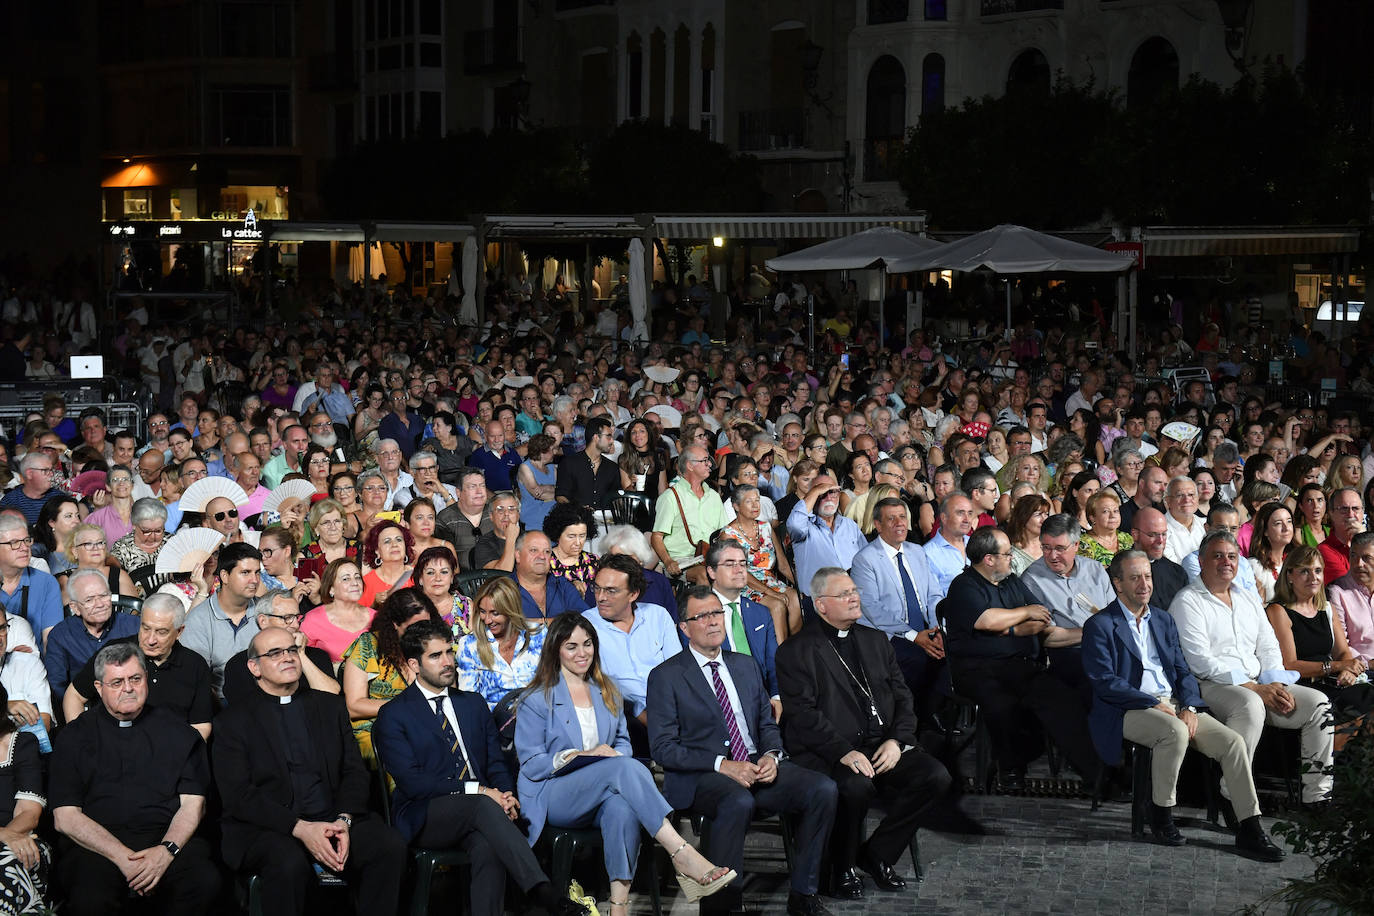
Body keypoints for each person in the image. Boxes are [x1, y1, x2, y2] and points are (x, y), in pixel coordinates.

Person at [515, 613, 736, 915]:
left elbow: (622, 743)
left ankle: (619, 907)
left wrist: (610, 757)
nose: (582, 653)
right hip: (553, 794)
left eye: (587, 644)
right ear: (556, 650)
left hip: (602, 789)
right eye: (571, 647)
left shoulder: (607, 689)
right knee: (624, 768)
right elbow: (531, 763)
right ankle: (681, 852)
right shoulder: (537, 698)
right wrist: (581, 755)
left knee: (622, 808)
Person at [371, 621, 590, 916]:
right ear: (414, 664)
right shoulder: (394, 714)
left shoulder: (472, 704)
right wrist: (482, 792)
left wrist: (507, 794)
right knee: (481, 806)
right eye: (435, 656)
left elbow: (495, 763)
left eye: (449, 652)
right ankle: (543, 892)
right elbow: (414, 784)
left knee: (488, 845)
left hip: (483, 812)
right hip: (425, 813)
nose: (447, 662)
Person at [647, 585, 837, 916]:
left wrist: (771, 755)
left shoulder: (746, 666)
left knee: (822, 788)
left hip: (753, 765)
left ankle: (804, 894)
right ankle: (723, 905)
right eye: (702, 616)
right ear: (684, 628)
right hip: (702, 774)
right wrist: (722, 765)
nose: (713, 621)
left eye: (717, 613)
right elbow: (663, 748)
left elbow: (766, 724)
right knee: (737, 800)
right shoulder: (666, 676)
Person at [1082, 550, 1284, 860]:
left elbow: (1182, 671)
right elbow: (1105, 681)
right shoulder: (1100, 624)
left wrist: (1189, 706)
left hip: (1173, 704)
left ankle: (1249, 827)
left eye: (1147, 576)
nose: (1144, 584)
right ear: (1118, 583)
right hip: (1126, 707)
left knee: (1232, 743)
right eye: (1134, 578)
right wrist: (1151, 702)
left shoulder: (1162, 619)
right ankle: (1161, 813)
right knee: (1174, 732)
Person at [778, 567, 964, 899]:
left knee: (935, 776)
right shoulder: (797, 650)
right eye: (844, 594)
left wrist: (897, 741)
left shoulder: (875, 640)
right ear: (821, 605)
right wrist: (843, 752)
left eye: (854, 591)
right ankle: (841, 867)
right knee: (855, 786)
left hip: (880, 745)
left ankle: (877, 854)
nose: (854, 598)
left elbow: (904, 697)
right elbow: (802, 715)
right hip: (830, 751)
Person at [212, 627, 408, 916]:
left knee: (388, 846)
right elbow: (239, 795)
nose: (288, 657)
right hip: (271, 827)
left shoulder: (330, 707)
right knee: (288, 863)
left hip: (334, 817)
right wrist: (300, 828)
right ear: (254, 667)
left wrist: (343, 820)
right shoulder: (232, 722)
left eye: (292, 650)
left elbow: (354, 771)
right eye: (275, 653)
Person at [50, 642, 222, 916]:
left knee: (203, 881)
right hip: (97, 847)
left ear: (146, 680)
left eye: (135, 679)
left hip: (166, 840)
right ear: (98, 688)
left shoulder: (180, 732)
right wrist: (123, 858)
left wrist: (165, 851)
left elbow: (194, 804)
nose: (128, 688)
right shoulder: (73, 737)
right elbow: (66, 817)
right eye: (117, 682)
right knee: (91, 897)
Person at [1168, 531, 1334, 806]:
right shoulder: (1187, 601)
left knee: (1319, 704)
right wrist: (1255, 688)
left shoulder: (1247, 597)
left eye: (1232, 556)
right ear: (1201, 561)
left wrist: (1275, 684)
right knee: (1250, 704)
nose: (1226, 562)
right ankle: (1233, 796)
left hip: (1259, 682)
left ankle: (1317, 798)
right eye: (1218, 556)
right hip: (1211, 685)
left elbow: (1268, 646)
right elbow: (1200, 661)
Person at [939, 528, 1103, 791]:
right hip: (977, 669)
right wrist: (1021, 618)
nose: (1012, 559)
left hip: (1020, 664)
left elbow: (1042, 618)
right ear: (989, 559)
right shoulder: (964, 585)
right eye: (1007, 554)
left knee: (1063, 698)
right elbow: (986, 619)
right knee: (1002, 704)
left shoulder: (1011, 582)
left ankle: (1096, 774)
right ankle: (1009, 769)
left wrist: (1009, 628)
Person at [849, 497, 946, 723]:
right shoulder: (865, 559)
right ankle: (910, 723)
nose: (899, 523)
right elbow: (872, 608)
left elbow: (934, 595)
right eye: (891, 519)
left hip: (924, 628)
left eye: (902, 517)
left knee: (949, 653)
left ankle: (930, 717)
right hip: (888, 634)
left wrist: (936, 629)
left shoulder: (917, 551)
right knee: (917, 660)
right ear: (878, 525)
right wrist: (914, 636)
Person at [1264, 547, 1373, 726]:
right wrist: (1337, 666)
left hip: (1333, 680)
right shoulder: (1278, 610)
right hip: (1303, 685)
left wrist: (1347, 670)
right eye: (1304, 571)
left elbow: (1342, 652)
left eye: (1317, 571)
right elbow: (1289, 665)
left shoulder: (1327, 608)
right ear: (1289, 575)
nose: (1313, 577)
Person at [341, 589, 445, 765]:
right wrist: (408, 708)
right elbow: (354, 705)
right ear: (395, 624)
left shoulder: (434, 646)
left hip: (426, 723)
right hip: (378, 726)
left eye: (426, 625)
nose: (422, 633)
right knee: (407, 755)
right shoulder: (368, 645)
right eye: (414, 627)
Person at [1020, 514, 1116, 695]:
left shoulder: (1095, 569)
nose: (1052, 556)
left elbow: (1115, 616)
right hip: (1070, 656)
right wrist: (1094, 632)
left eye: (1060, 548)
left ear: (1076, 545)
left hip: (1108, 649)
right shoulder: (1032, 580)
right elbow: (1047, 636)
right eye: (1046, 547)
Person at [222, 591, 340, 705]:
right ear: (263, 621)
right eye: (287, 618)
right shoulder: (240, 663)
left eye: (298, 618)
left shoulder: (317, 655)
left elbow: (331, 698)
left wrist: (300, 654)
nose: (296, 625)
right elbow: (244, 710)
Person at [701, 540, 780, 708]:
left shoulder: (761, 613)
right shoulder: (698, 616)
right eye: (730, 564)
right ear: (711, 571)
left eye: (743, 564)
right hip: (721, 705)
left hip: (764, 700)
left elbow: (773, 663)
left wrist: (777, 697)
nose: (739, 570)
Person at [180, 541, 263, 701]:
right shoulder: (199, 619)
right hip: (220, 703)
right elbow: (193, 678)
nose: (254, 580)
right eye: (245, 572)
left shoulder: (266, 611)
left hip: (265, 698)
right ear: (225, 576)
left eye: (257, 572)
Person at [719, 484, 801, 638]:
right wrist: (771, 593)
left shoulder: (766, 528)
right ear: (736, 506)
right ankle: (780, 650)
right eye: (749, 501)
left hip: (770, 581)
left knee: (796, 598)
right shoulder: (728, 535)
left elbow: (783, 565)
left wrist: (800, 586)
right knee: (777, 606)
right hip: (743, 585)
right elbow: (739, 572)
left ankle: (794, 645)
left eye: (757, 500)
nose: (755, 505)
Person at [45, 568, 142, 696]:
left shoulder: (135, 626)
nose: (100, 604)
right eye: (89, 600)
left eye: (103, 596)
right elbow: (57, 687)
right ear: (75, 608)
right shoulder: (61, 636)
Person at [455, 576, 545, 709]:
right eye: (482, 612)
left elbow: (554, 684)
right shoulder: (470, 645)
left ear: (511, 610)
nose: (487, 620)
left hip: (539, 713)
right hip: (495, 717)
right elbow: (469, 701)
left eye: (495, 613)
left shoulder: (539, 635)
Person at [0, 681, 49, 911]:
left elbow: (29, 813)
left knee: (9, 858)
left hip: (21, 835)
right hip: (6, 836)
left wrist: (8, 837)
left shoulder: (21, 743)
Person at [786, 473, 867, 609]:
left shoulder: (849, 525)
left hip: (856, 595)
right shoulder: (804, 527)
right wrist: (816, 490)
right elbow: (794, 524)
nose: (829, 498)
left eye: (833, 492)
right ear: (812, 496)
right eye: (822, 494)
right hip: (821, 601)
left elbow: (867, 559)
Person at [652, 447, 726, 585]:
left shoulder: (714, 496)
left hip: (709, 557)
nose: (709, 464)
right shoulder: (670, 497)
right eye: (704, 460)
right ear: (690, 466)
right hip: (681, 560)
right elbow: (656, 537)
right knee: (704, 574)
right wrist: (668, 561)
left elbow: (724, 533)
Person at [0, 515, 63, 648]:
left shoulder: (46, 583)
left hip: (34, 658)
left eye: (27, 540)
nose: (24, 548)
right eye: (14, 542)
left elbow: (51, 642)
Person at [301, 559, 375, 665]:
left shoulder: (377, 618)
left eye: (357, 577)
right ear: (331, 589)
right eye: (346, 579)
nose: (355, 583)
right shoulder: (312, 620)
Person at [511, 531, 585, 624]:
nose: (542, 556)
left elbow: (586, 620)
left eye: (547, 552)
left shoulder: (563, 586)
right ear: (518, 555)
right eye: (534, 550)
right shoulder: (503, 589)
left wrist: (540, 623)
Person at [555, 416, 621, 512]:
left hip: (606, 519)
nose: (612, 441)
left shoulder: (612, 467)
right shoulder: (569, 463)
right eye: (608, 436)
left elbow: (616, 499)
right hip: (575, 518)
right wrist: (577, 510)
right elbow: (561, 496)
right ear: (596, 437)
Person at [1328, 531, 1374, 666]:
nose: (1358, 564)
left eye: (1366, 558)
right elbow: (1341, 648)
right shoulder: (1337, 591)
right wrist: (1367, 663)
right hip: (1360, 669)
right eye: (1353, 556)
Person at [1130, 507, 1189, 611]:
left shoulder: (1177, 573)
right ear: (1135, 535)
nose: (1160, 541)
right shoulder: (1121, 573)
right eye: (1153, 535)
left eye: (1164, 534)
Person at [412, 545, 473, 638]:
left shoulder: (467, 606)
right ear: (420, 578)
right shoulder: (411, 608)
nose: (438, 578)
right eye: (430, 573)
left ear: (452, 577)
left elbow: (476, 643)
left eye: (444, 572)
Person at [924, 494, 976, 600]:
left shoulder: (976, 543)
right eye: (960, 513)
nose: (967, 519)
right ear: (944, 518)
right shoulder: (928, 554)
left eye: (970, 513)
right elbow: (932, 600)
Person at [544, 503, 599, 600]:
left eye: (582, 536)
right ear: (558, 535)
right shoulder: (545, 561)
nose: (578, 543)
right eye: (571, 536)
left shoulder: (593, 561)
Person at [359, 521, 414, 608]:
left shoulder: (419, 575)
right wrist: (374, 604)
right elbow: (357, 613)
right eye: (387, 541)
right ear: (377, 551)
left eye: (399, 540)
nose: (394, 544)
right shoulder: (365, 584)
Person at [0, 453, 61, 527]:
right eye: (45, 470)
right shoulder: (10, 502)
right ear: (29, 474)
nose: (51, 474)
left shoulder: (59, 498)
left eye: (51, 470)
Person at [1319, 487, 1365, 584]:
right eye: (1344, 509)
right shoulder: (1324, 550)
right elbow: (1350, 585)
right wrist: (1363, 542)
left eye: (1355, 508)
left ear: (1362, 512)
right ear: (1331, 513)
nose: (1351, 514)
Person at [1162, 476, 1204, 563]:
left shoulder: (1206, 524)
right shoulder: (1160, 530)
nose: (1187, 500)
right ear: (1168, 501)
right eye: (1180, 495)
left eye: (1191, 495)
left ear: (1198, 499)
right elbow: (1173, 567)